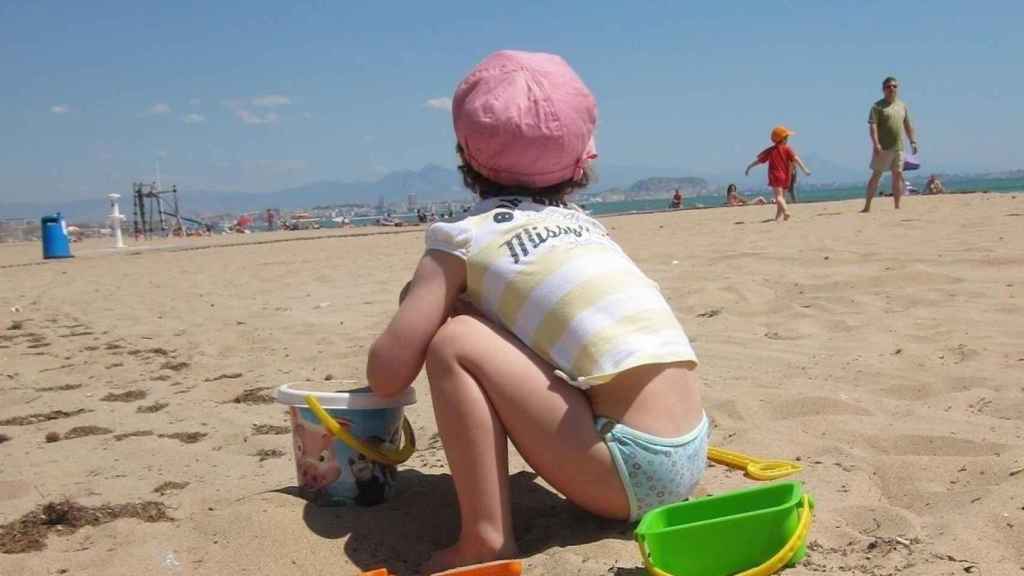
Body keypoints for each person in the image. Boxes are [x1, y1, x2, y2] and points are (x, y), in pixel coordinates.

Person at [365, 50, 707, 573]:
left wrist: (423, 296)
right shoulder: (588, 229)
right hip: (688, 454)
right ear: (581, 159)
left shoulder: (464, 238)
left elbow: (387, 377)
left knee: (453, 341)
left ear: (465, 152)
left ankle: (485, 540)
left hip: (624, 474)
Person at [862, 76, 918, 212]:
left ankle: (897, 206)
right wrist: (876, 144)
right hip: (883, 148)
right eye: (888, 87)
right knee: (877, 175)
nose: (891, 89)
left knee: (897, 175)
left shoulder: (902, 106)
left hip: (899, 147)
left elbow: (908, 125)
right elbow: (873, 127)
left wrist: (913, 141)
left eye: (894, 86)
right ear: (883, 90)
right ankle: (867, 206)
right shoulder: (877, 106)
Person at [744, 126, 811, 222]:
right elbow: (796, 159)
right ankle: (777, 218)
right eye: (787, 137)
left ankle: (786, 211)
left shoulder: (771, 150)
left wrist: (749, 167)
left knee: (778, 197)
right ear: (783, 138)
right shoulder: (788, 149)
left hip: (775, 176)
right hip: (786, 176)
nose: (788, 139)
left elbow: (759, 161)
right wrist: (805, 169)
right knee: (782, 198)